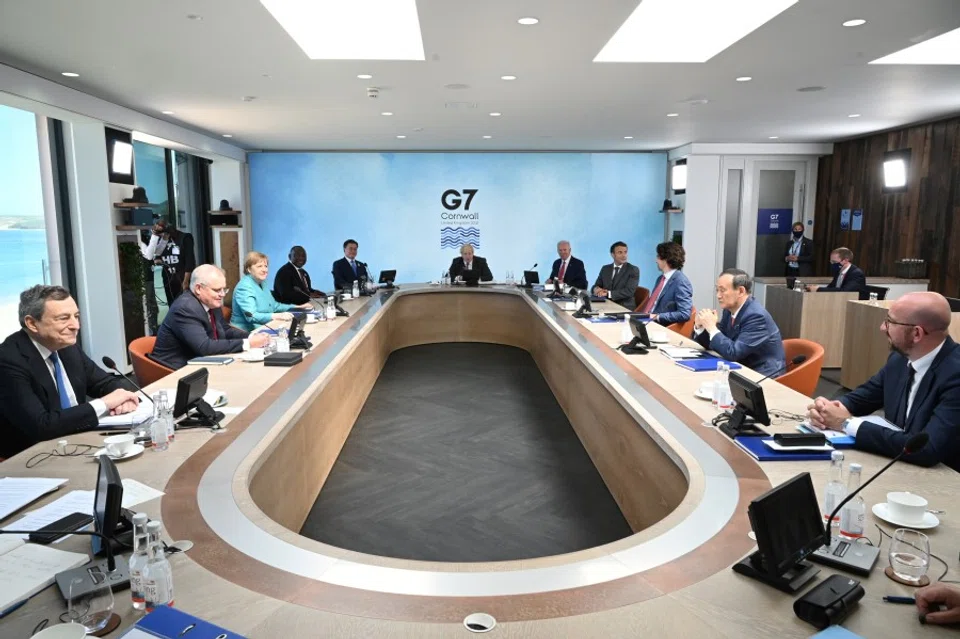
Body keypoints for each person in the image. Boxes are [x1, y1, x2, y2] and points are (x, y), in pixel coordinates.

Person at [806, 292, 960, 470]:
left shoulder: (955, 375)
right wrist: (828, 409)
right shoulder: (899, 359)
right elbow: (866, 396)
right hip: (898, 468)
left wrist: (845, 423)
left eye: (890, 322)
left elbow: (927, 449)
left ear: (916, 333)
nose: (882, 327)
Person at [0, 285, 140, 459]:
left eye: (76, 316)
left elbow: (105, 383)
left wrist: (122, 399)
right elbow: (42, 427)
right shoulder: (8, 360)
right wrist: (104, 403)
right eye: (63, 318)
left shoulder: (66, 347)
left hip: (78, 442)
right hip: (32, 457)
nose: (75, 326)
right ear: (32, 323)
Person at [151, 264, 271, 370]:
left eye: (224, 289)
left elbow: (225, 330)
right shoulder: (185, 308)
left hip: (202, 363)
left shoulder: (211, 301)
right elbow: (204, 347)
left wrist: (252, 336)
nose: (222, 294)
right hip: (175, 371)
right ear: (198, 288)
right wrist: (248, 343)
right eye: (217, 290)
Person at [693, 268, 786, 378]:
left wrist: (712, 327)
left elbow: (733, 353)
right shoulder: (729, 310)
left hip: (761, 374)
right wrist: (701, 327)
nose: (718, 295)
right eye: (717, 290)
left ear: (741, 291)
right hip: (740, 366)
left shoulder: (756, 316)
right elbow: (718, 343)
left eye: (722, 290)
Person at [231, 252, 311, 332]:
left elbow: (274, 306)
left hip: (264, 327)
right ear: (249, 269)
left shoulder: (262, 282)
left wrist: (297, 307)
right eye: (259, 266)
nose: (264, 270)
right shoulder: (244, 287)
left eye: (265, 266)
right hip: (245, 333)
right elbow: (252, 316)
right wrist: (277, 316)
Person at [141, 219, 195, 305]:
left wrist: (185, 281)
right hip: (169, 278)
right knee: (172, 304)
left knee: (186, 304)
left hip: (182, 276)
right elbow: (155, 255)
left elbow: (190, 262)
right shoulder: (161, 239)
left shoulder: (185, 238)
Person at [640, 242, 693, 326]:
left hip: (659, 326)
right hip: (645, 321)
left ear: (666, 259)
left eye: (658, 256)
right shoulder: (660, 279)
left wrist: (656, 316)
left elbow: (684, 314)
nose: (656, 260)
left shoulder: (681, 282)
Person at [592, 241, 640, 308]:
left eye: (625, 252)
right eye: (620, 252)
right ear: (612, 255)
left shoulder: (633, 270)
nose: (624, 255)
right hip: (606, 304)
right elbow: (596, 285)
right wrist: (596, 289)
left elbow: (629, 291)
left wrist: (608, 293)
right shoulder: (605, 269)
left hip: (624, 307)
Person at [784, 221, 814, 286]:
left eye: (799, 229)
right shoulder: (789, 243)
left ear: (803, 230)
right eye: (795, 229)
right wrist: (787, 258)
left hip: (802, 271)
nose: (797, 231)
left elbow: (811, 257)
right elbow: (784, 256)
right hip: (790, 270)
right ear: (792, 230)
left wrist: (798, 258)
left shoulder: (808, 242)